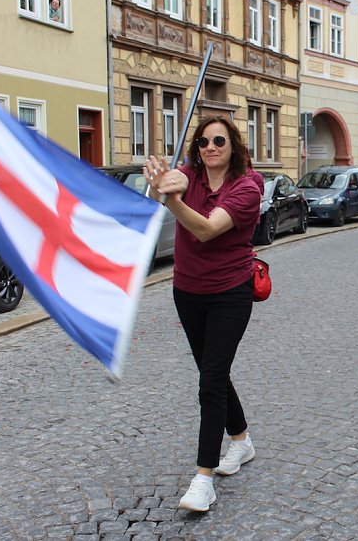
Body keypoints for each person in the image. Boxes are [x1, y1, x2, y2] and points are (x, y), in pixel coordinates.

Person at [143, 115, 261, 512]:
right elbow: (166, 184)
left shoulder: (247, 187)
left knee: (210, 379)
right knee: (214, 374)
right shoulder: (189, 175)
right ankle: (242, 442)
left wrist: (171, 199)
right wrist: (159, 181)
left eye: (218, 141)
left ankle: (203, 478)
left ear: (233, 148)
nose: (210, 147)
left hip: (230, 293)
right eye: (203, 142)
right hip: (188, 291)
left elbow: (208, 229)